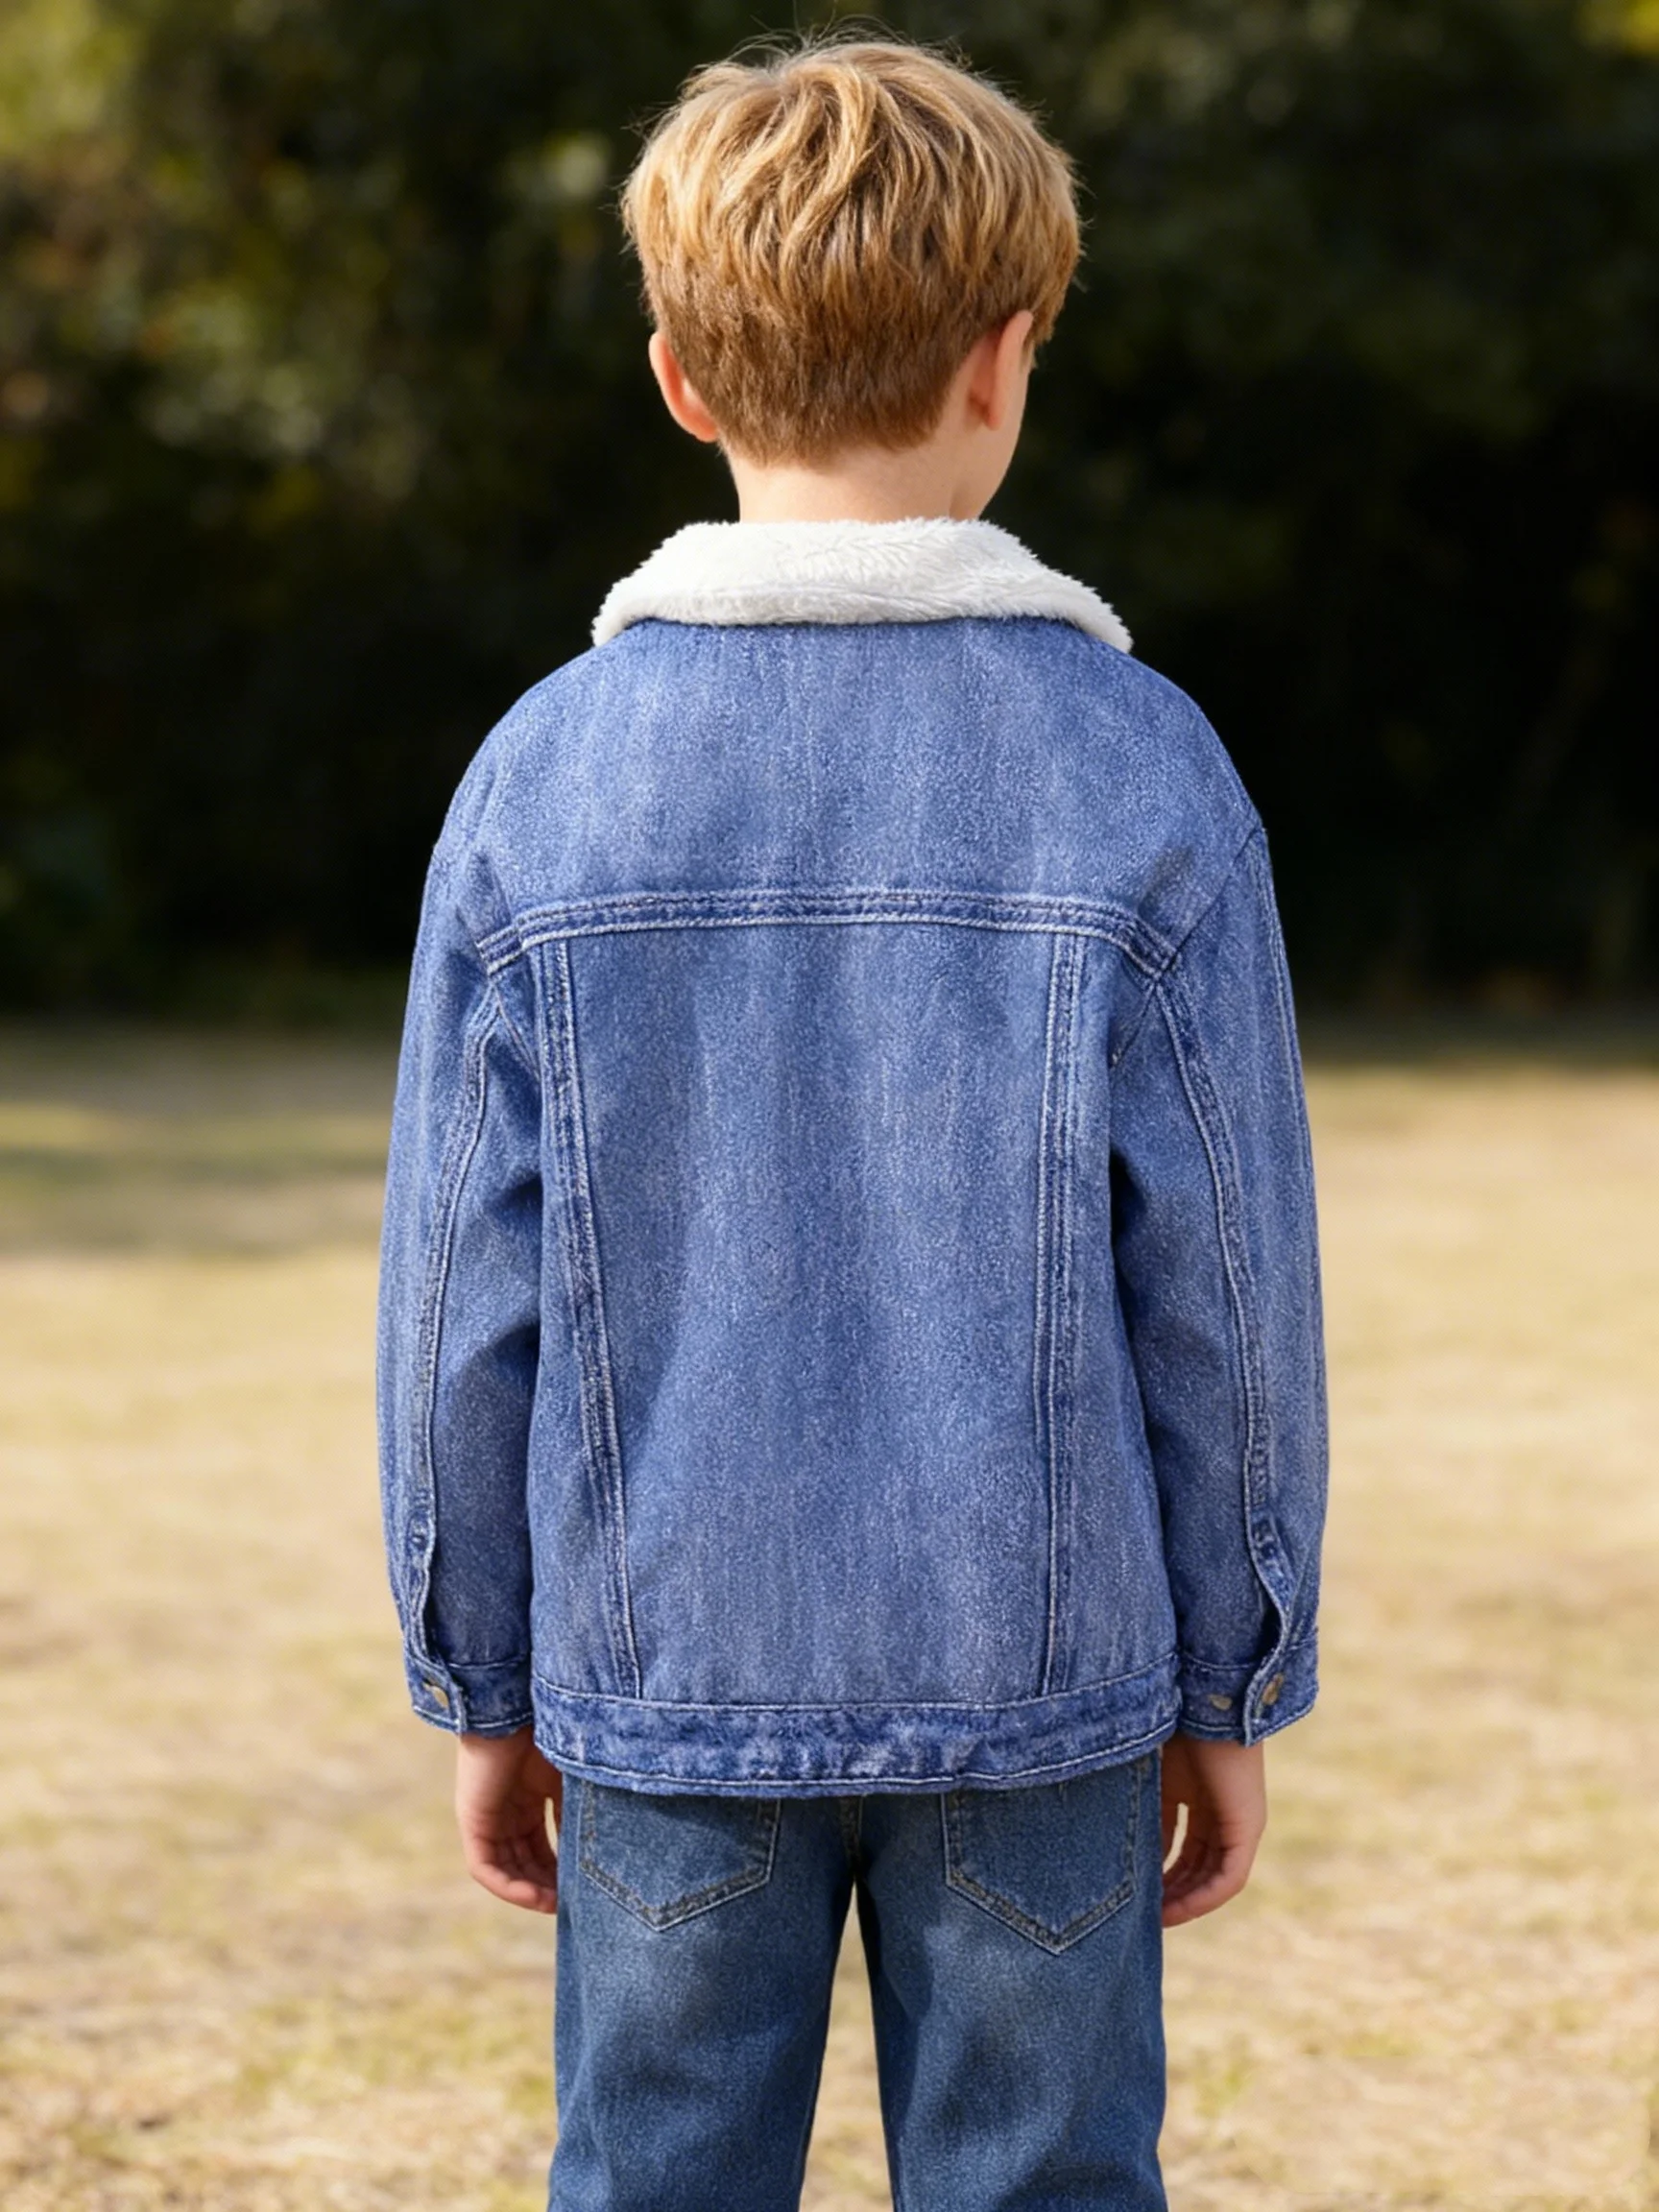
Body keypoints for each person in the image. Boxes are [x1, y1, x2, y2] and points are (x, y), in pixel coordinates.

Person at [375, 34, 1327, 2212]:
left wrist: (481, 1675)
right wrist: (1235, 1674)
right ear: (1007, 362)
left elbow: (457, 1300)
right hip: (1047, 1682)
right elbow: (1230, 1293)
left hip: (662, 1667)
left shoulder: (540, 775)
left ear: (678, 380)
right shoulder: (1144, 764)